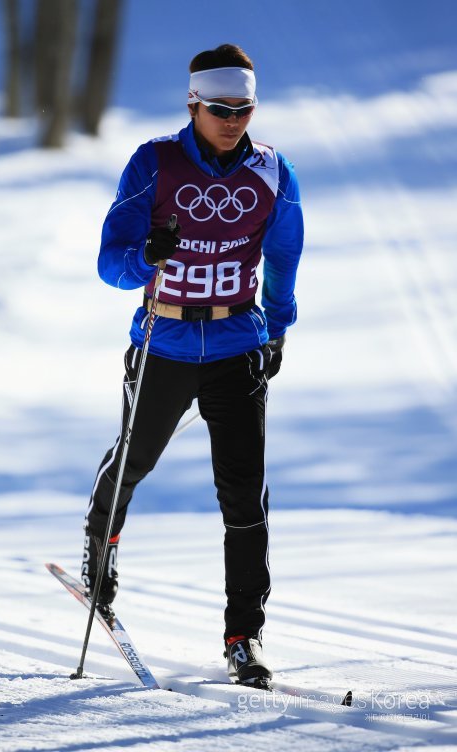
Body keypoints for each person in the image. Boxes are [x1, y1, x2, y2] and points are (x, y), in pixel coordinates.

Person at [81, 43, 304, 687]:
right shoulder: (155, 163)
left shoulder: (273, 172)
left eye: (244, 107)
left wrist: (277, 332)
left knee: (244, 494)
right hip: (165, 343)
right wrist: (147, 257)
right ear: (193, 103)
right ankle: (100, 550)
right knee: (135, 457)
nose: (233, 119)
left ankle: (244, 635)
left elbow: (284, 258)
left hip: (236, 345)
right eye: (220, 107)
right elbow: (109, 265)